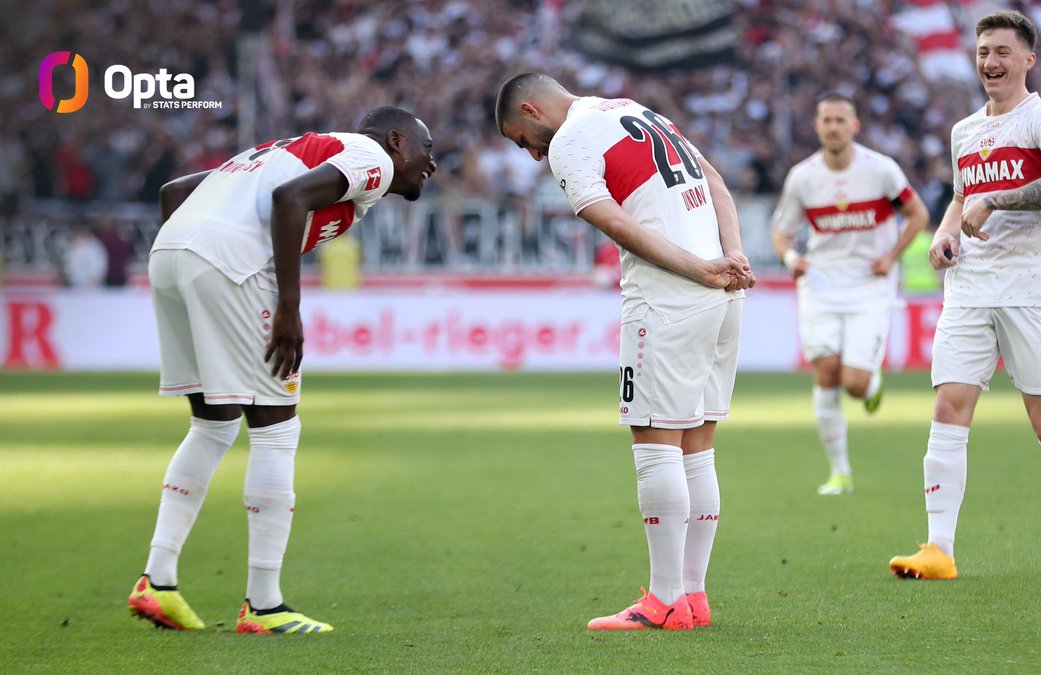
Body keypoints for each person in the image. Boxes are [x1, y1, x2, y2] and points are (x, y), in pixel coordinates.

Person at [128, 106, 437, 634]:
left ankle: (157, 580)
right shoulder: (371, 158)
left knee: (214, 423)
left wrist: (197, 263)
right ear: (396, 140)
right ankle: (265, 606)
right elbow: (288, 199)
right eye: (427, 149)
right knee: (276, 427)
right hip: (231, 265)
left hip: (172, 257)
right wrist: (289, 306)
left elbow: (175, 192)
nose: (432, 164)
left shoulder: (281, 151)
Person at [495, 73, 754, 631]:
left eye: (523, 140)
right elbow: (715, 184)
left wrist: (696, 268)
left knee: (655, 440)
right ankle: (692, 596)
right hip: (722, 292)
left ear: (532, 110)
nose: (535, 154)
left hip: (668, 297)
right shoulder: (634, 110)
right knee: (697, 444)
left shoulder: (568, 139)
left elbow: (609, 219)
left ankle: (662, 603)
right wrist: (729, 256)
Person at [888, 10, 1041, 581]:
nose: (990, 62)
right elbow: (963, 195)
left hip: (1033, 291)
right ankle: (938, 548)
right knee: (949, 406)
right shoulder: (964, 131)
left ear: (1027, 60)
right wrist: (945, 233)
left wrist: (998, 201)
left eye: (1001, 52)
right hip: (969, 288)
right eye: (983, 52)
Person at [770, 93, 930, 496]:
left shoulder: (881, 170)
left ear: (855, 126)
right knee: (825, 374)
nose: (834, 127)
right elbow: (781, 231)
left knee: (854, 384)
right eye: (827, 120)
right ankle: (839, 473)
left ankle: (870, 386)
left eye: (841, 120)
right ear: (817, 126)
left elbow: (918, 214)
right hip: (821, 285)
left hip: (868, 286)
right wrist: (790, 257)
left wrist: (891, 256)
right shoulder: (803, 177)